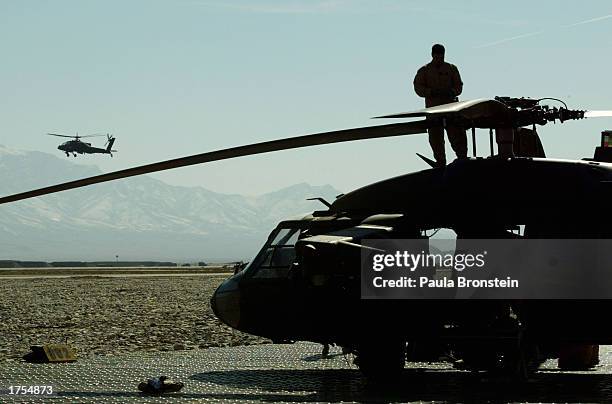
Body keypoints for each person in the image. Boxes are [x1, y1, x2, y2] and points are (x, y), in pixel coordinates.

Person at [413, 44, 467, 166]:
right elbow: (418, 87)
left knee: (457, 134)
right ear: (432, 55)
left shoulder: (451, 68)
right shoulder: (424, 70)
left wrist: (452, 91)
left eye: (441, 56)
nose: (439, 59)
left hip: (451, 110)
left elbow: (459, 86)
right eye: (437, 56)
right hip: (434, 111)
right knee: (435, 138)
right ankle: (440, 162)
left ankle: (462, 159)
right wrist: (431, 92)